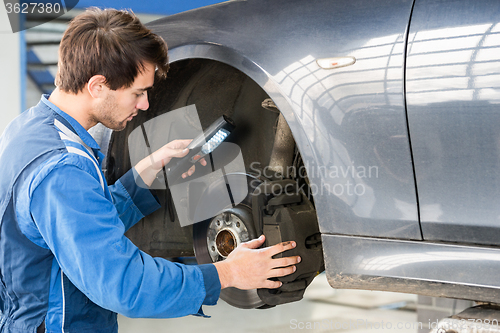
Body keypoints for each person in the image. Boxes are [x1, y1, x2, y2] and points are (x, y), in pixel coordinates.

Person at [0, 8, 300, 333]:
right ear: (98, 85)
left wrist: (140, 180)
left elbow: (72, 229)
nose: (144, 105)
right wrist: (229, 273)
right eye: (138, 93)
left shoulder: (31, 129)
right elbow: (124, 285)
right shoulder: (63, 167)